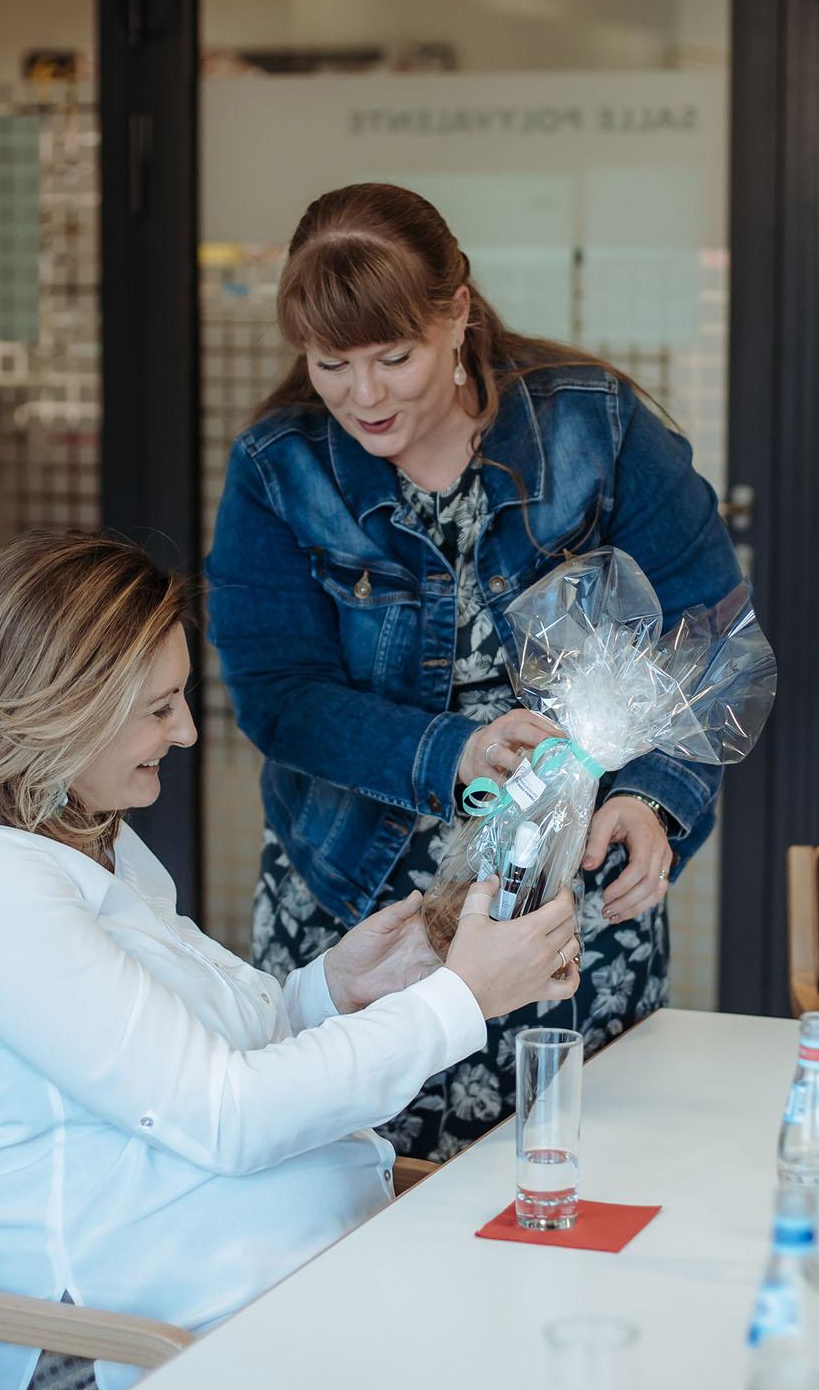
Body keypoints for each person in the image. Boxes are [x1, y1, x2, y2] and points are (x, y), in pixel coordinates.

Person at [0, 529, 580, 1390]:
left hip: (269, 1298)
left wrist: (338, 990)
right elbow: (221, 1115)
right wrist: (458, 1001)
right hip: (132, 1346)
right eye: (159, 707)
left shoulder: (93, 845)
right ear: (60, 707)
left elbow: (184, 1066)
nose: (188, 732)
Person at [205, 182, 743, 1162]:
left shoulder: (596, 427)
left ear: (456, 313)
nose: (363, 396)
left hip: (562, 896)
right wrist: (452, 749)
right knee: (353, 1194)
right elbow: (276, 694)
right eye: (331, 363)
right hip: (362, 904)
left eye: (393, 357)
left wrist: (656, 802)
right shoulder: (280, 467)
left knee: (562, 1175)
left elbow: (707, 636)